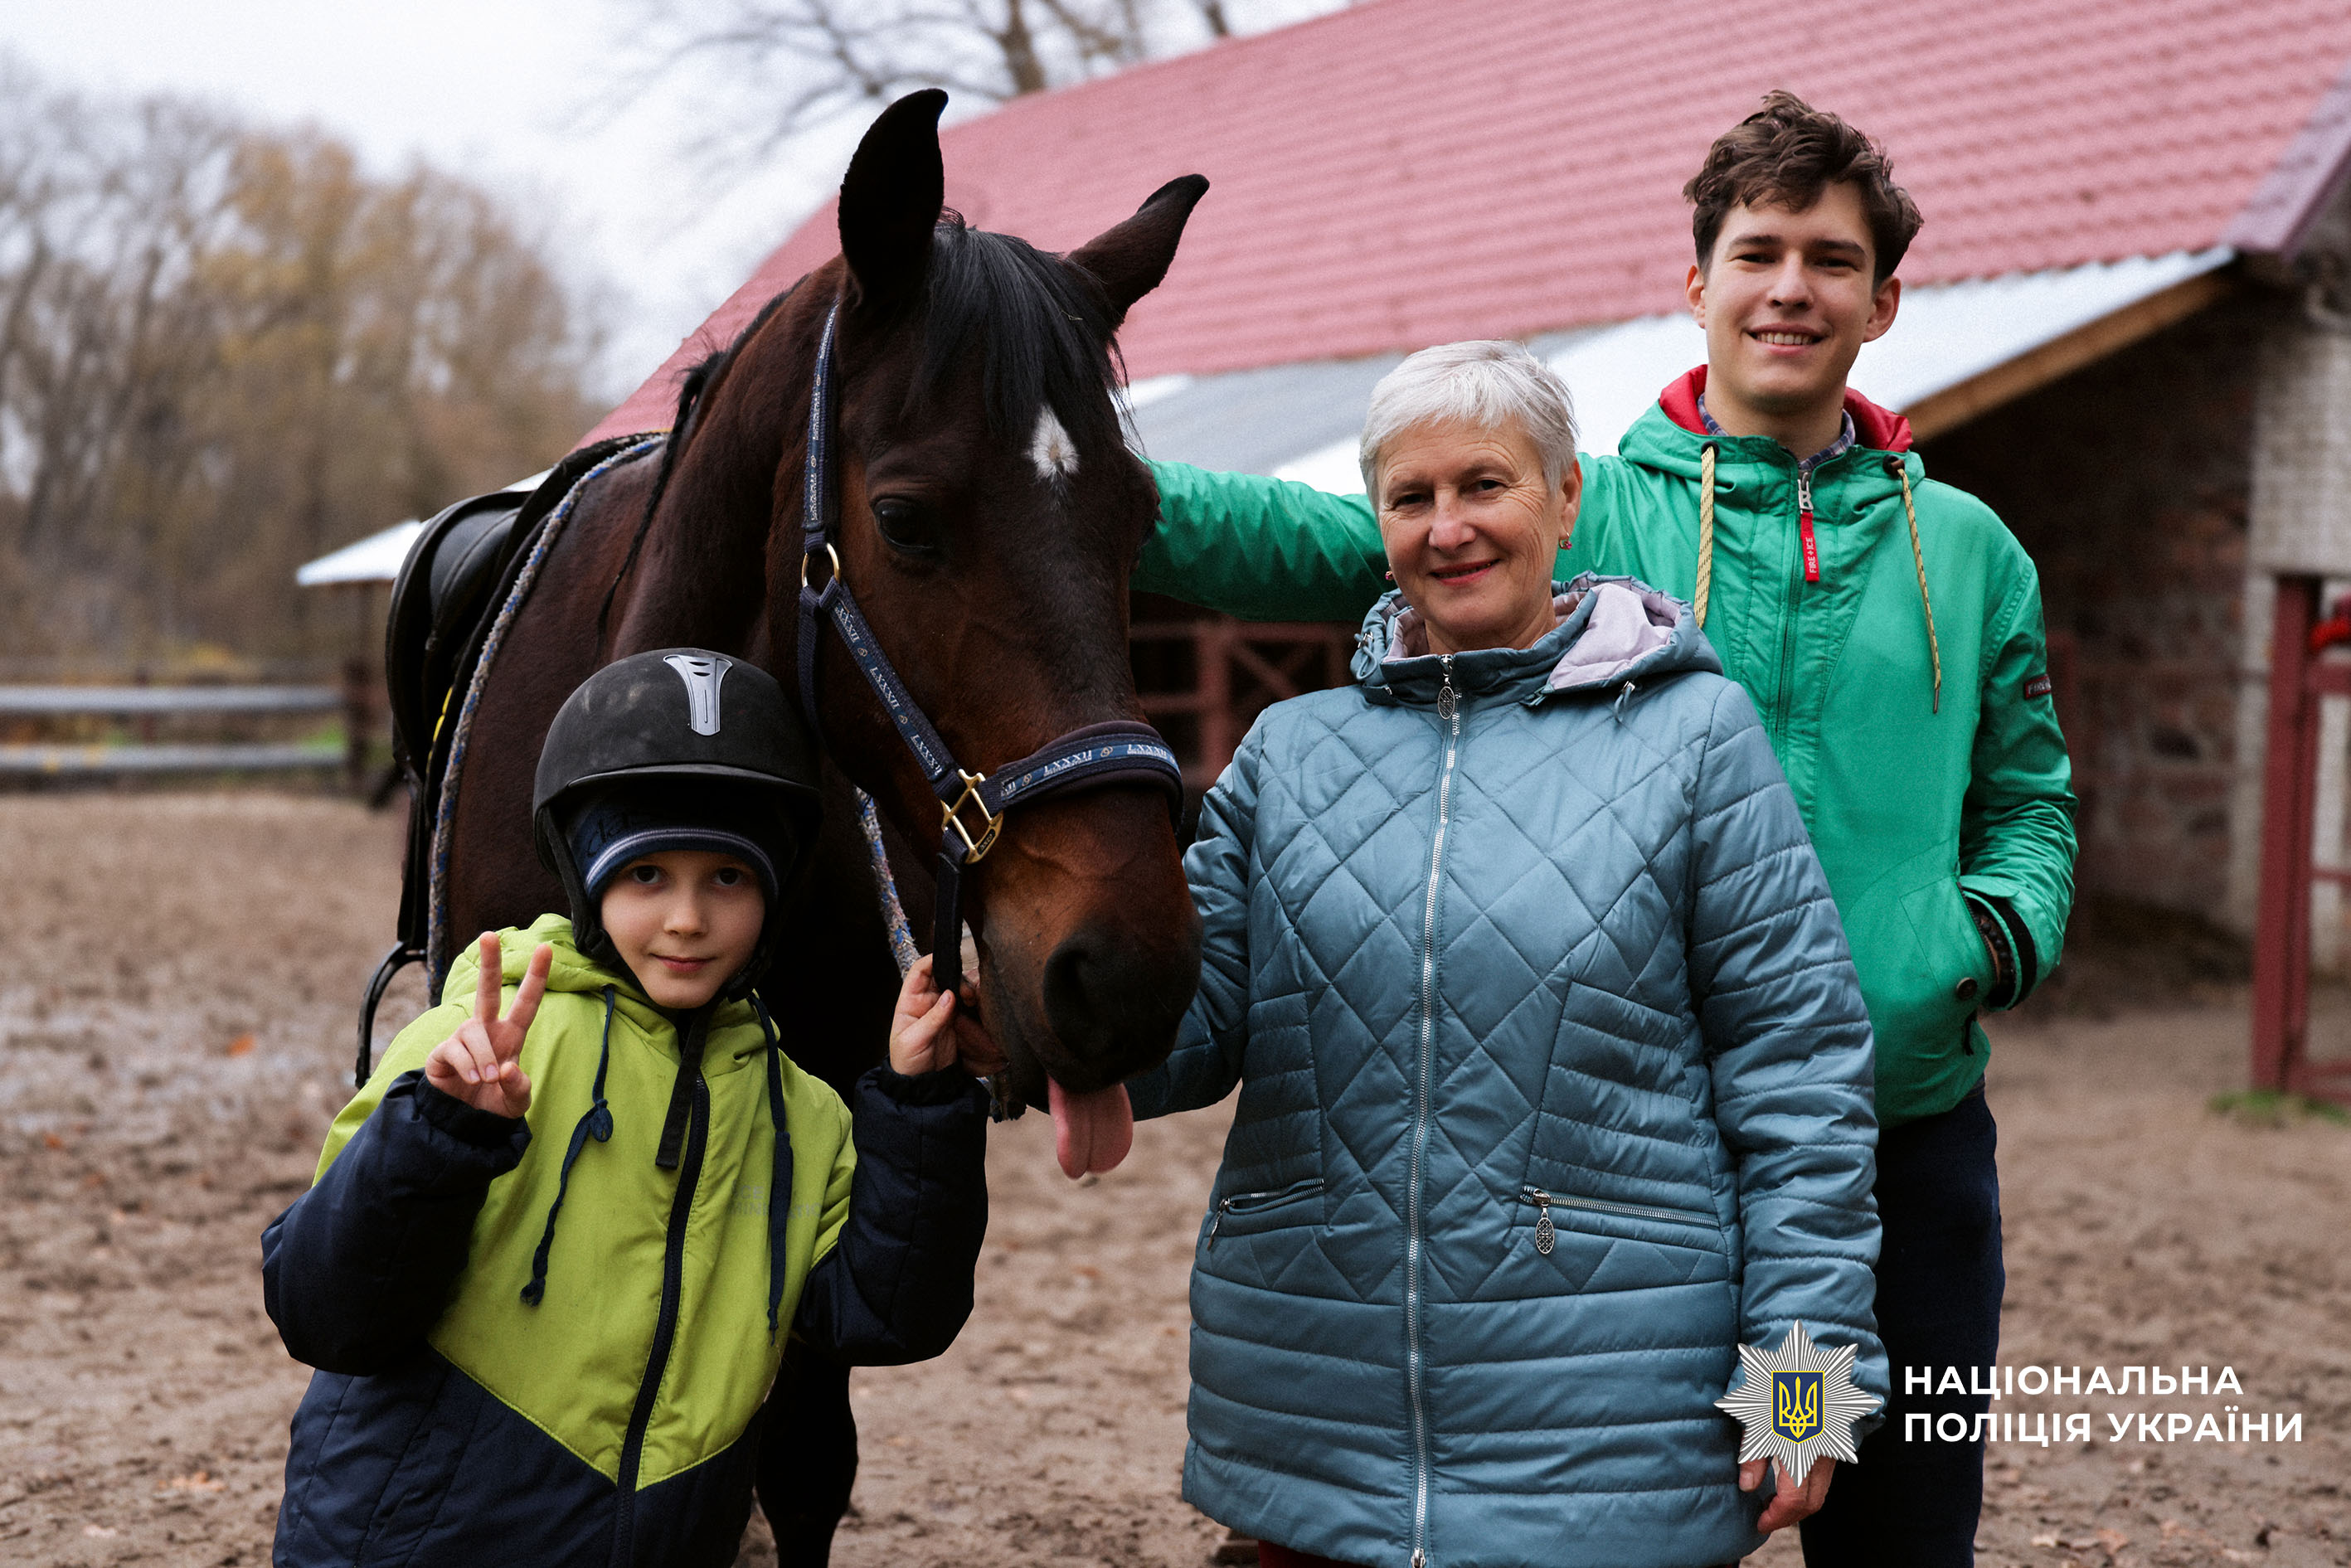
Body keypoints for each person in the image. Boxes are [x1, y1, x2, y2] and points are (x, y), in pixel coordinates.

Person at [1133, 94, 2075, 1565]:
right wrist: (1070, 475)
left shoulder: (1970, 548)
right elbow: (1316, 537)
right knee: (1629, 1509)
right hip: (1637, 1162)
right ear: (1695, 284)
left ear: (1884, 300)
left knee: (1903, 1527)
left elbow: (2030, 798)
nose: (1790, 288)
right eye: (1756, 252)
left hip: (1896, 1126)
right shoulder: (1582, 507)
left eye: (1831, 260)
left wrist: (1976, 943)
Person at [1124, 340, 1886, 1568]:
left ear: (1563, 497)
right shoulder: (1286, 751)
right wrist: (1012, 1018)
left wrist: (1804, 1389)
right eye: (1409, 496)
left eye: (1484, 483)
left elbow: (1797, 1074)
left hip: (1612, 1441)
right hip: (1315, 1420)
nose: (1447, 527)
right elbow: (1180, 1033)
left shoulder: (1694, 735)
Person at [262, 648, 993, 1568]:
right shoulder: (474, 1047)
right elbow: (322, 1310)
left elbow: (891, 1314)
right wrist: (438, 1135)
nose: (687, 918)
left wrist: (922, 1107)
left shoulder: (801, 1111)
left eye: (727, 877)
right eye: (646, 874)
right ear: (586, 877)